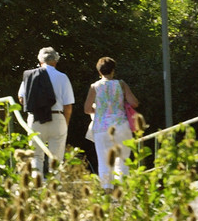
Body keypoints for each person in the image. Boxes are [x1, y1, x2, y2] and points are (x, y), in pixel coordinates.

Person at [84, 56, 140, 189]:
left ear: (99, 72)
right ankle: (122, 190)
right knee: (122, 160)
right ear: (113, 70)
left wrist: (99, 110)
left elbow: (87, 109)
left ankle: (107, 192)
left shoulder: (94, 87)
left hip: (101, 128)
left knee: (104, 162)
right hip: (121, 126)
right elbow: (134, 103)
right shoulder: (121, 84)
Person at [18, 47, 75, 175]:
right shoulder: (62, 77)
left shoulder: (30, 76)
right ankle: (55, 190)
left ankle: (37, 188)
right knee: (56, 159)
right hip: (57, 118)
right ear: (55, 61)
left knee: (35, 157)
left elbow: (21, 98)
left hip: (35, 119)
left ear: (40, 60)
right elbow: (68, 106)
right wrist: (65, 123)